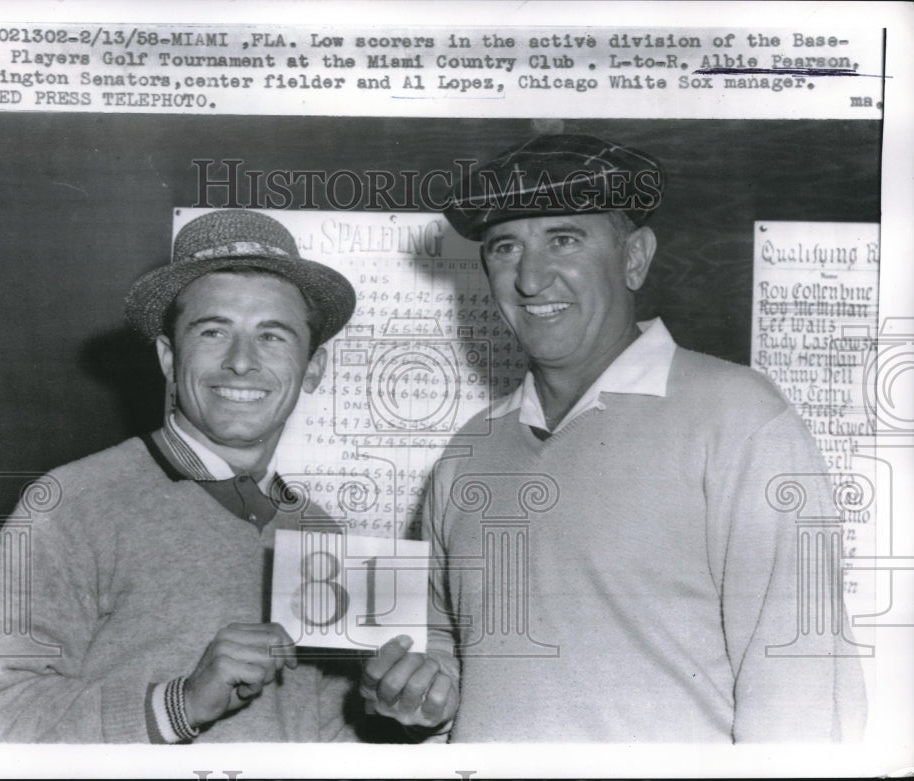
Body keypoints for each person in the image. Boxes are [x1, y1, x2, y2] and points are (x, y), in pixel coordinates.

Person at [361, 134, 868, 742]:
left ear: (634, 258)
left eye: (564, 239)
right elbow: (444, 655)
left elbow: (805, 693)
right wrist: (416, 693)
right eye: (505, 247)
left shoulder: (739, 419)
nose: (530, 278)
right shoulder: (469, 451)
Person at [0, 209, 362, 743]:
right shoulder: (69, 502)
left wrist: (399, 711)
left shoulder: (321, 532)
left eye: (273, 337)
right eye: (213, 332)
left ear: (313, 369)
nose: (241, 362)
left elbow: (326, 731)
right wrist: (181, 702)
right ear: (169, 356)